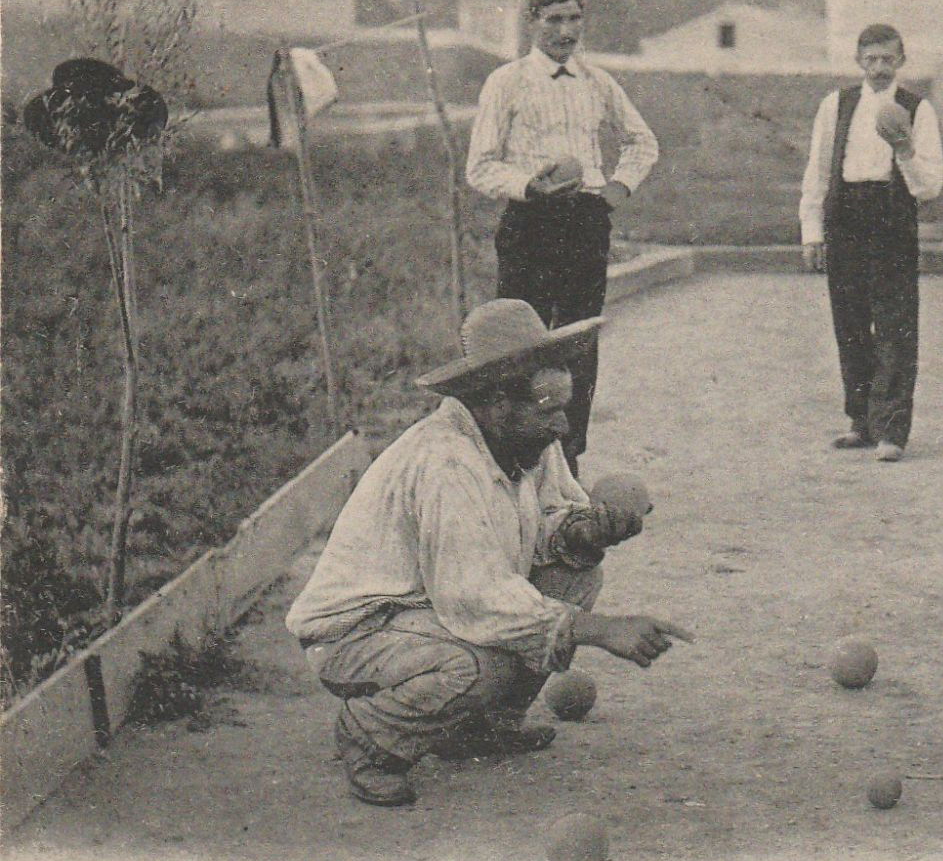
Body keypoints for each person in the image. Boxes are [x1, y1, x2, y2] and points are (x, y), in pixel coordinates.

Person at [286, 299, 693, 807]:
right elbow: (477, 597)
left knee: (577, 578)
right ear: (498, 403)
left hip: (428, 610)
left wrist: (584, 533)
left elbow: (549, 523)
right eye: (550, 411)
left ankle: (478, 729)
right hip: (357, 633)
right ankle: (368, 736)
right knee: (477, 666)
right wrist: (604, 630)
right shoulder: (446, 464)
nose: (563, 427)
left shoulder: (526, 443)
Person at [466, 0, 660, 476]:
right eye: (554, 20)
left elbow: (643, 142)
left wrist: (615, 192)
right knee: (517, 343)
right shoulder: (505, 82)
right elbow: (480, 166)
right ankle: (514, 457)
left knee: (578, 343)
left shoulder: (597, 82)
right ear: (531, 23)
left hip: (584, 223)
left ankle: (568, 460)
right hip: (529, 222)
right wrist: (530, 187)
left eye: (574, 19)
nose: (566, 31)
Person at [799, 23, 943, 463]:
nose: (880, 67)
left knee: (896, 325)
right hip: (845, 217)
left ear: (901, 60)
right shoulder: (836, 105)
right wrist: (812, 230)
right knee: (850, 323)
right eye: (872, 59)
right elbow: (819, 170)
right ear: (858, 61)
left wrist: (903, 150)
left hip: (892, 218)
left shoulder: (918, 109)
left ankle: (892, 430)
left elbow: (930, 187)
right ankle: (860, 421)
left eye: (888, 59)